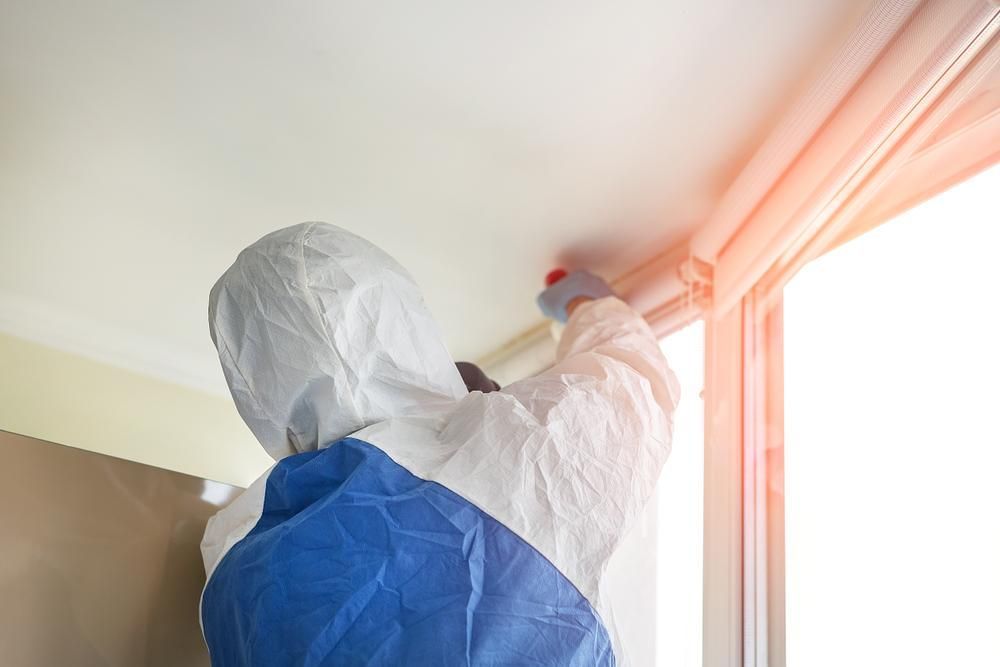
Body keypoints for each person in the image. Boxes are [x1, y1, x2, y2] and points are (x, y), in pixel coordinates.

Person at [200, 222, 680, 666]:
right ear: (404, 318)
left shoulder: (230, 559)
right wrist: (588, 304)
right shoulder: (513, 449)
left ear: (254, 390)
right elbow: (633, 383)